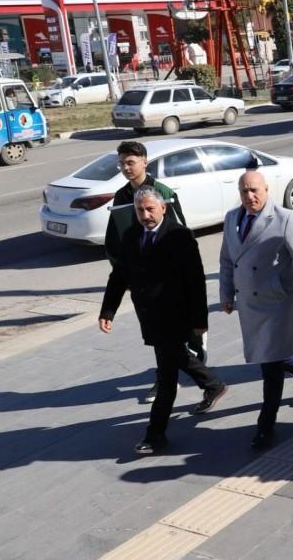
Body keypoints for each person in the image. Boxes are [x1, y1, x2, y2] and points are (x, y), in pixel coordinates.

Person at [99, 187, 228, 455]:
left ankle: (155, 435)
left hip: (176, 316)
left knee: (166, 375)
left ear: (163, 208)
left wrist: (199, 320)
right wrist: (107, 311)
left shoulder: (180, 236)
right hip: (150, 317)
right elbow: (119, 275)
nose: (145, 215)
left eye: (150, 209)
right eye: (140, 210)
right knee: (177, 356)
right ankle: (213, 384)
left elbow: (195, 281)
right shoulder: (131, 235)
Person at [219, 171, 293, 450]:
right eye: (244, 192)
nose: (249, 197)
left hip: (277, 302)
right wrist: (226, 293)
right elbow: (227, 259)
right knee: (271, 355)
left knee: (270, 366)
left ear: (267, 189)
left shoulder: (285, 218)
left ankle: (265, 426)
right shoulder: (232, 218)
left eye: (254, 190)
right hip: (249, 304)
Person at [104, 141, 191, 405]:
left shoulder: (161, 192)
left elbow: (180, 233)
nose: (126, 168)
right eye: (121, 163)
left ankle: (175, 379)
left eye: (130, 162)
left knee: (167, 335)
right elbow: (113, 241)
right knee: (157, 334)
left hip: (166, 281)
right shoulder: (121, 197)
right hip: (141, 283)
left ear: (145, 161)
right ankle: (200, 375)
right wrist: (124, 276)